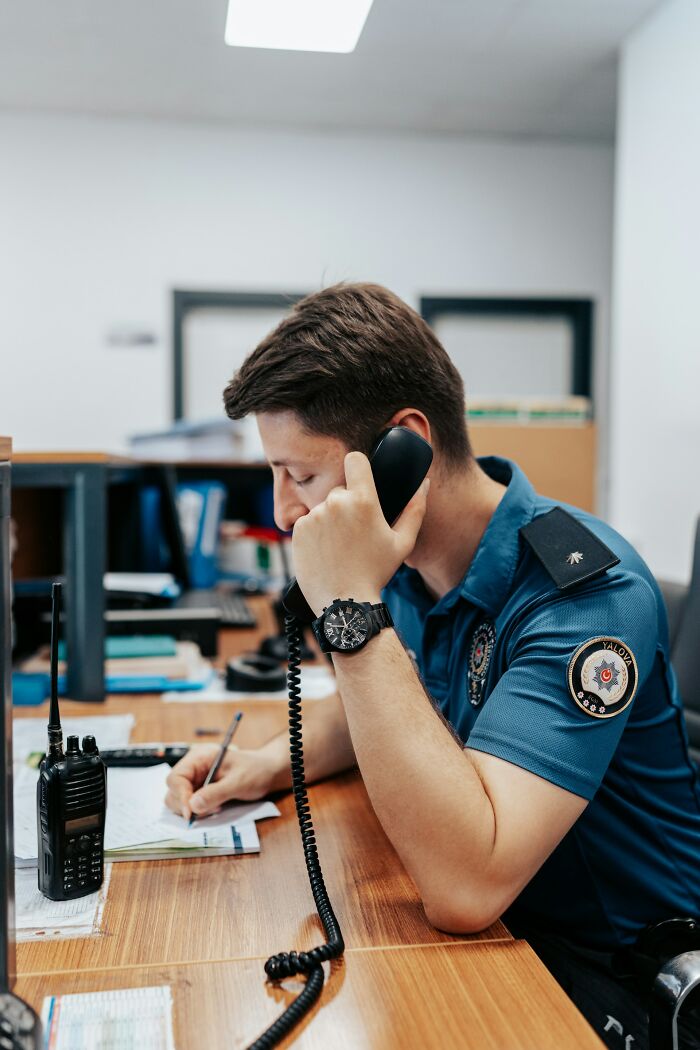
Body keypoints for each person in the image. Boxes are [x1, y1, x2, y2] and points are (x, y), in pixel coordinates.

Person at [165, 283, 700, 1049]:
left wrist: (350, 608)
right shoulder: (409, 566)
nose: (283, 513)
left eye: (301, 476)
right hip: (508, 937)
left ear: (402, 452)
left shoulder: (585, 596)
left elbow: (465, 888)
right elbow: (388, 709)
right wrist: (263, 763)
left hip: (614, 975)